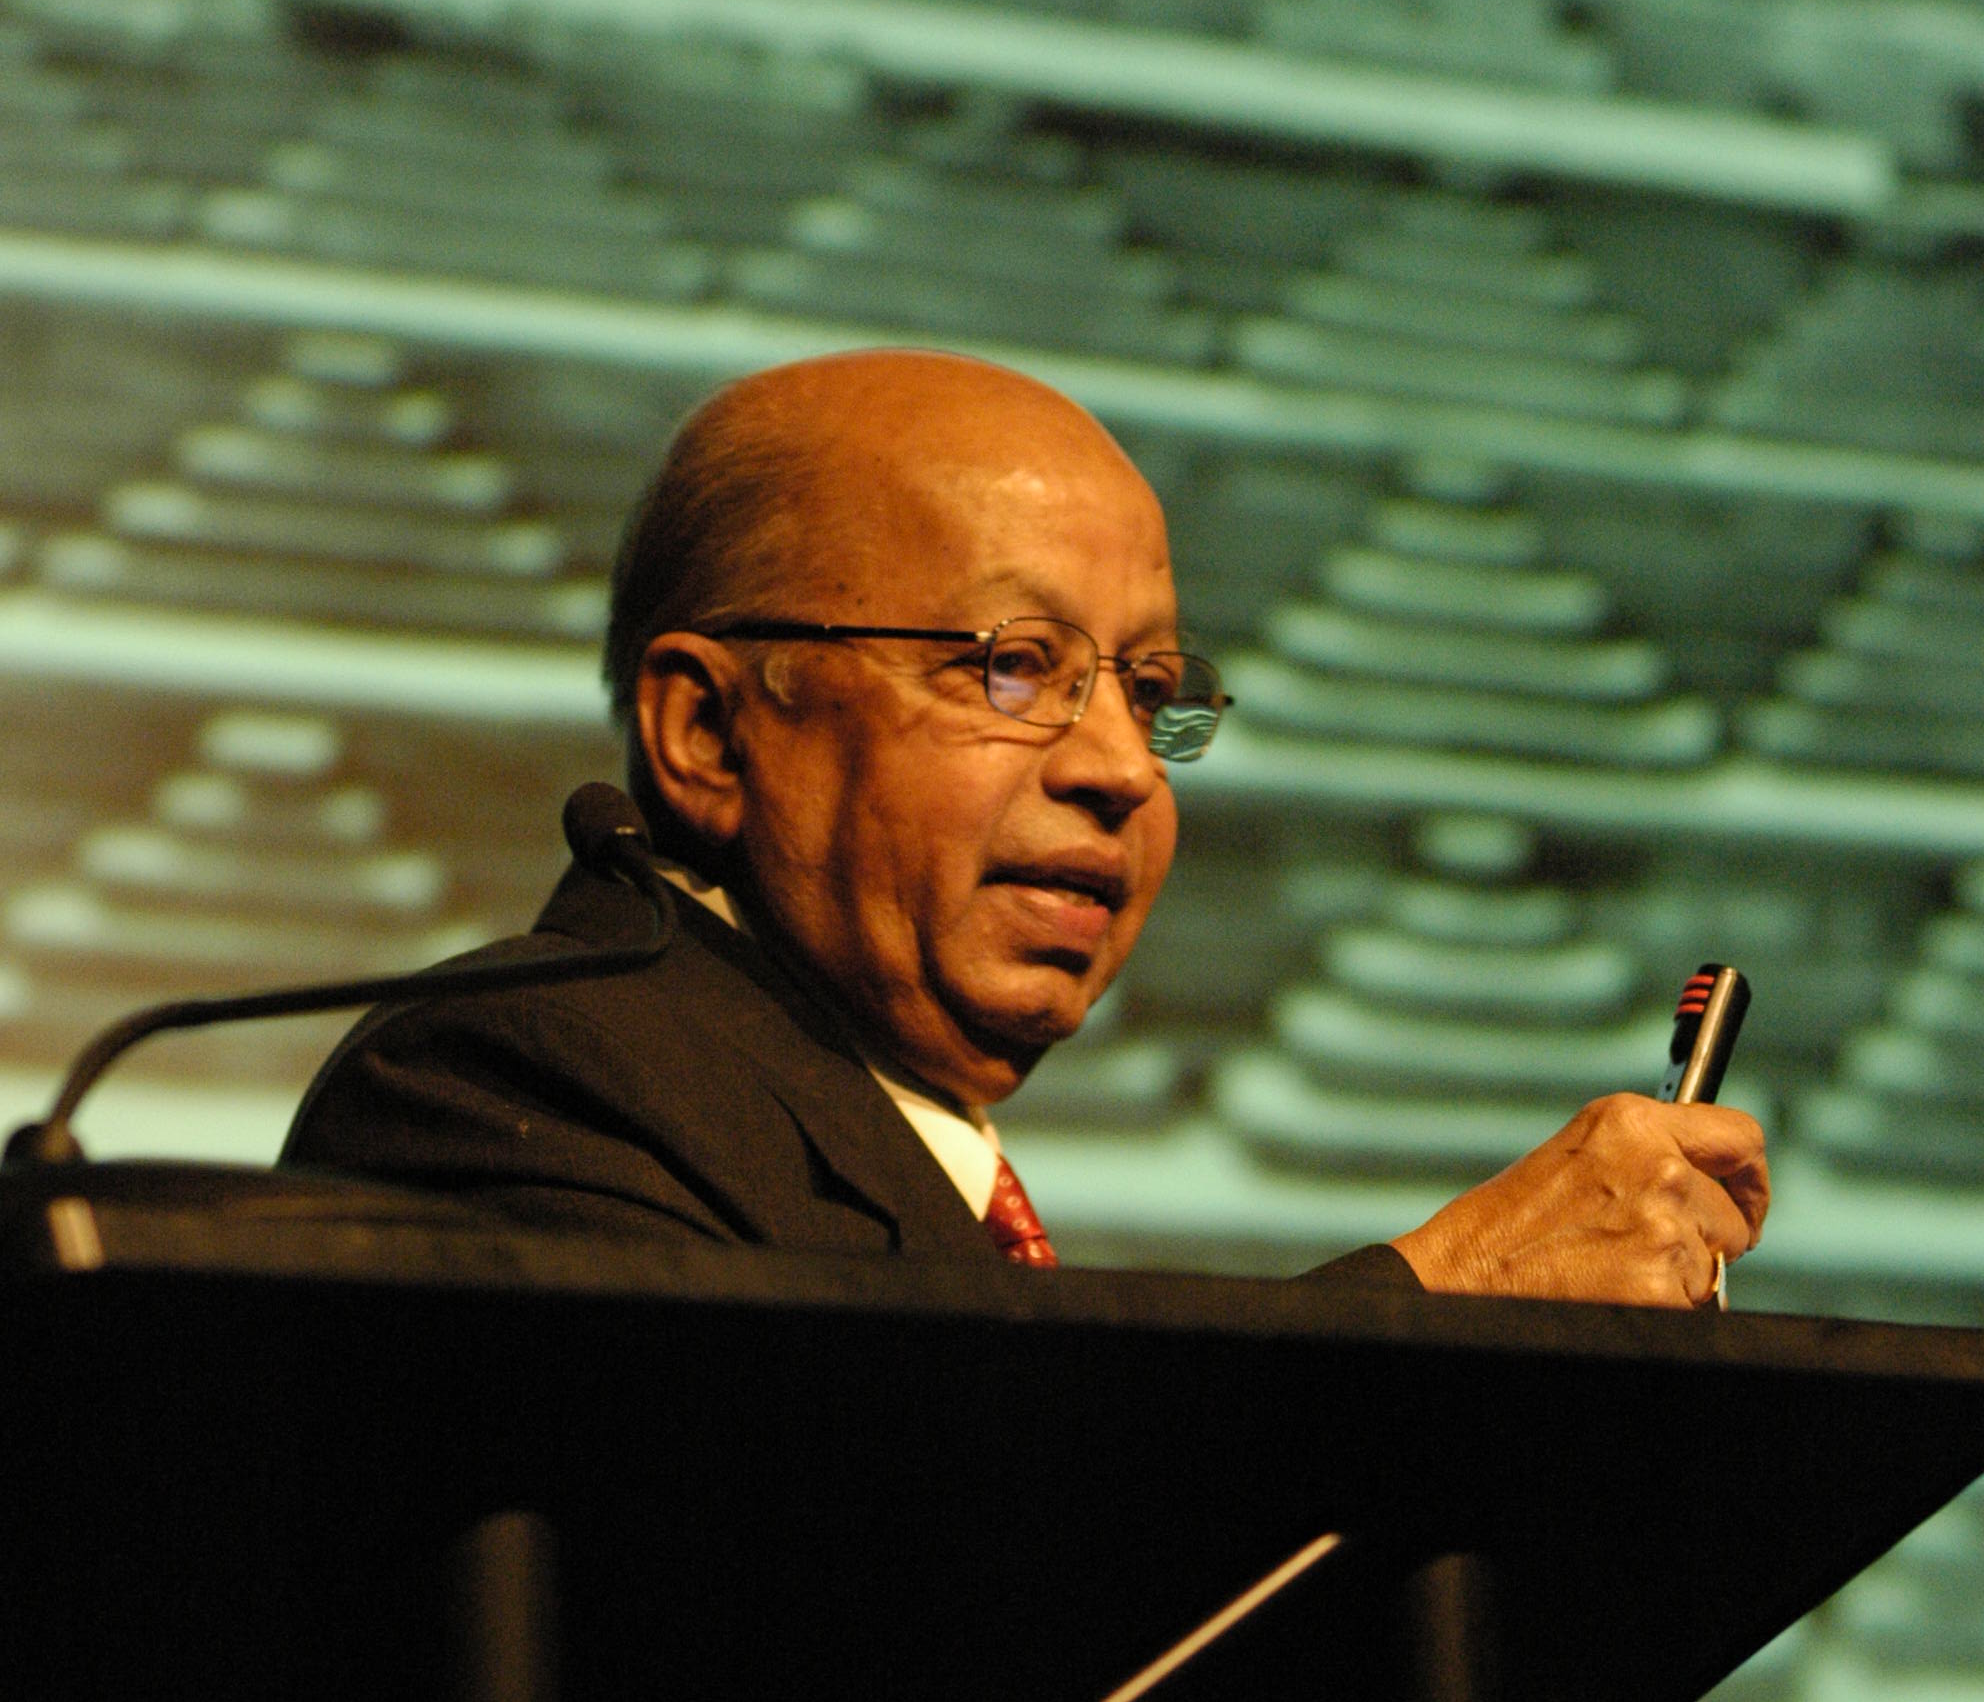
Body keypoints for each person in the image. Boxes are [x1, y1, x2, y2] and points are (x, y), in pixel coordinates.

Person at [287, 349, 1768, 1303]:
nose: (1124, 766)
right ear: (710, 733)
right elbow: (862, 1613)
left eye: (1156, 690)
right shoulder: (509, 1082)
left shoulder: (887, 1130)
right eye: (1013, 668)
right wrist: (1440, 1308)